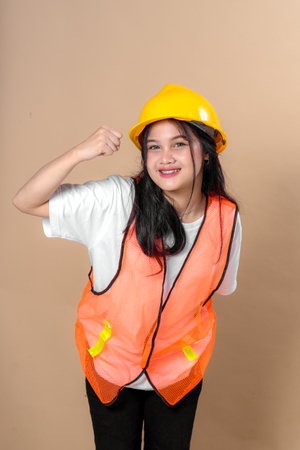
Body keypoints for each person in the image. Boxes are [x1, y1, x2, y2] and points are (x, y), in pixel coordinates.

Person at [13, 84, 242, 450]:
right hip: (112, 367)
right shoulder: (116, 201)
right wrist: (79, 153)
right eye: (154, 146)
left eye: (179, 143)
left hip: (177, 372)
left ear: (208, 151)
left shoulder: (226, 218)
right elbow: (26, 200)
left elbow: (218, 289)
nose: (165, 157)